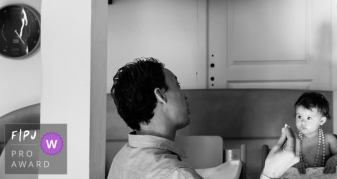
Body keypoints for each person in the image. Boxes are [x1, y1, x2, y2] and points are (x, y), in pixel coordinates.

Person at [108, 57, 301, 179]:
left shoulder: (123, 157)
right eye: (177, 85)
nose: (184, 95)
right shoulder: (176, 174)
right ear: (161, 95)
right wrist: (270, 173)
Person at [292, 92, 337, 174]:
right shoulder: (293, 139)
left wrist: (333, 160)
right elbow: (283, 159)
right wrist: (295, 163)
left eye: (309, 118)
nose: (302, 122)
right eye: (299, 116)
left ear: (322, 120)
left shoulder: (329, 139)